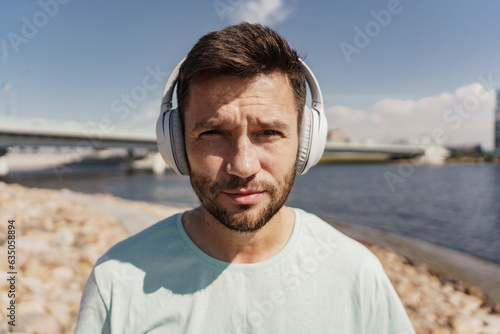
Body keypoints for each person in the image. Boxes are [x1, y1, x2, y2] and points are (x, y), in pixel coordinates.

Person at [75, 22, 415, 333]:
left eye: (268, 132)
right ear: (175, 144)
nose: (242, 165)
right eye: (212, 133)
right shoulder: (117, 280)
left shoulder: (356, 273)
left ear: (306, 142)